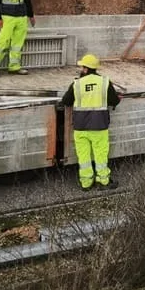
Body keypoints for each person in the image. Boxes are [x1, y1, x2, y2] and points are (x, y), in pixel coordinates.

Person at [61, 54, 121, 191]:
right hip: (99, 126)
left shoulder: (76, 84)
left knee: (84, 156)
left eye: (82, 67)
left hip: (80, 127)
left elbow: (66, 101)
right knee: (100, 155)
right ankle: (103, 181)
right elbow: (114, 101)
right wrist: (117, 98)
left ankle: (86, 183)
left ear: (86, 69)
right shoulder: (105, 82)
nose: (81, 69)